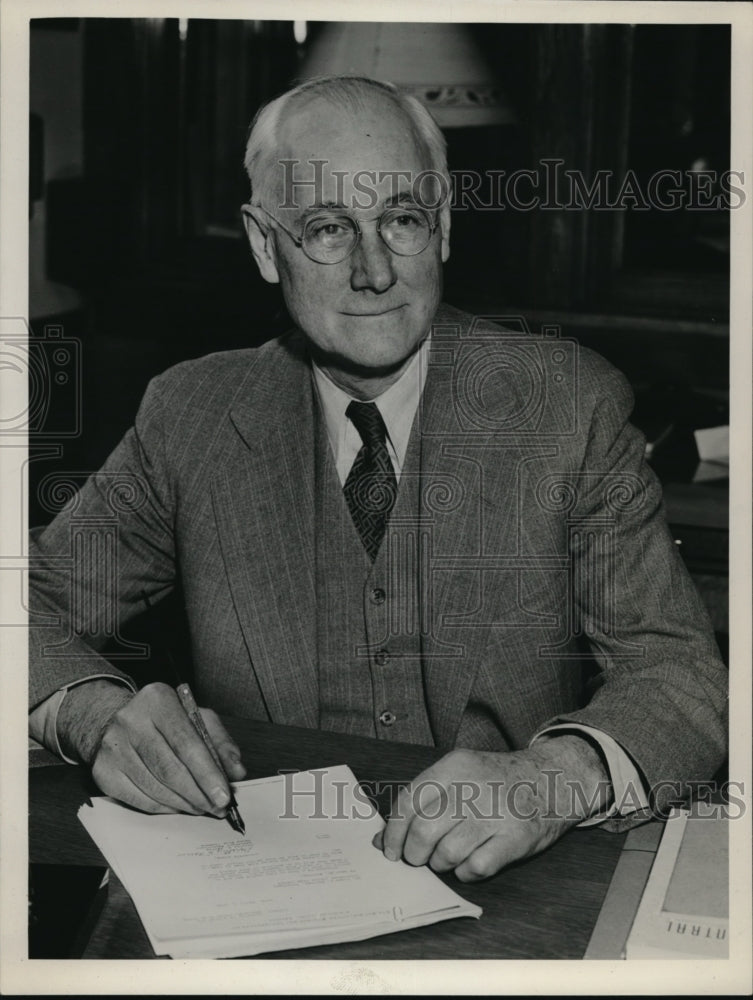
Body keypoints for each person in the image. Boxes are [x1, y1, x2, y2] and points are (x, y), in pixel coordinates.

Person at [29, 75, 727, 883]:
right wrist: (94, 713)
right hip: (257, 882)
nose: (372, 272)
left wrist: (551, 780)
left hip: (511, 887)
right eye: (326, 228)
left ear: (445, 227)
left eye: (400, 219)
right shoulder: (191, 414)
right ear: (264, 243)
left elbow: (680, 673)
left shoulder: (567, 405)